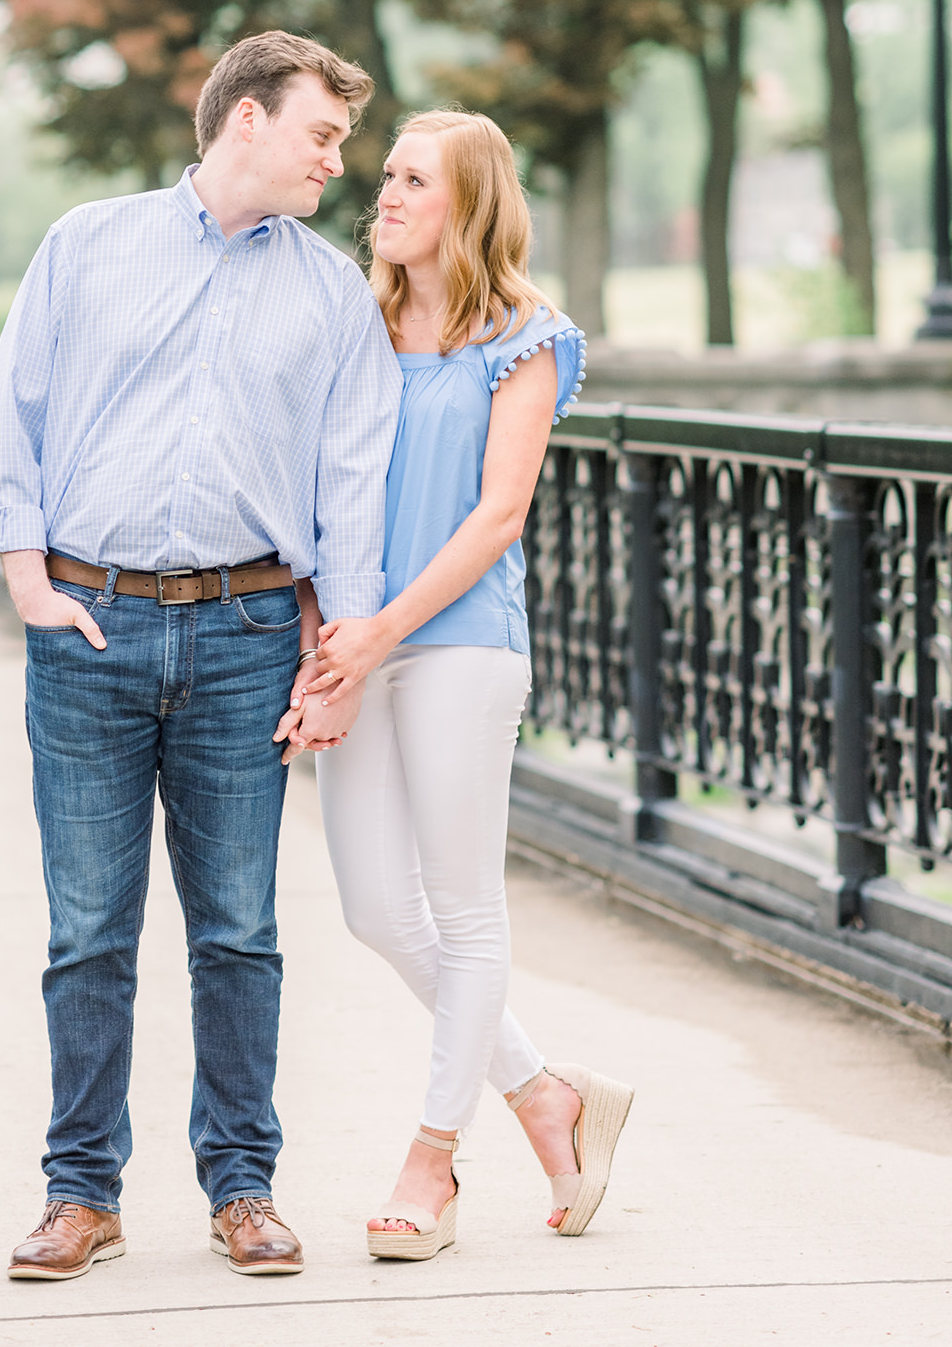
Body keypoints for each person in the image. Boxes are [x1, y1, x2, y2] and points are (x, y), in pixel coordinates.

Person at [0, 32, 401, 1284]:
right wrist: (24, 581)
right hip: (91, 631)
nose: (338, 159)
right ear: (247, 121)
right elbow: (17, 409)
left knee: (239, 932)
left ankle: (243, 1187)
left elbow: (352, 477)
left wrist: (342, 649)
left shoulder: (329, 293)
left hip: (250, 634)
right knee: (89, 930)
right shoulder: (87, 245)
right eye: (321, 133)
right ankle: (80, 1194)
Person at [276, 109, 633, 1260]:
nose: (380, 195)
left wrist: (382, 632)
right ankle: (545, 1093)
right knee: (375, 907)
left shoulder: (525, 338)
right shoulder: (351, 326)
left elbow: (499, 514)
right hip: (355, 642)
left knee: (464, 906)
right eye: (381, 176)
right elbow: (312, 501)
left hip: (461, 645)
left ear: (467, 204)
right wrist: (327, 648)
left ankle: (432, 1158)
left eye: (409, 179)